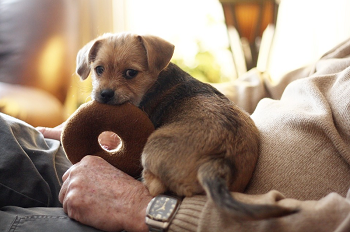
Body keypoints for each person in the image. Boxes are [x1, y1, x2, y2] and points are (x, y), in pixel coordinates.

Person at [1, 38, 350, 232]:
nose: (108, 85)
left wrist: (148, 209)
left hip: (173, 212)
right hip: (156, 152)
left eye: (129, 73)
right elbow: (264, 86)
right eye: (100, 71)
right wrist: (112, 117)